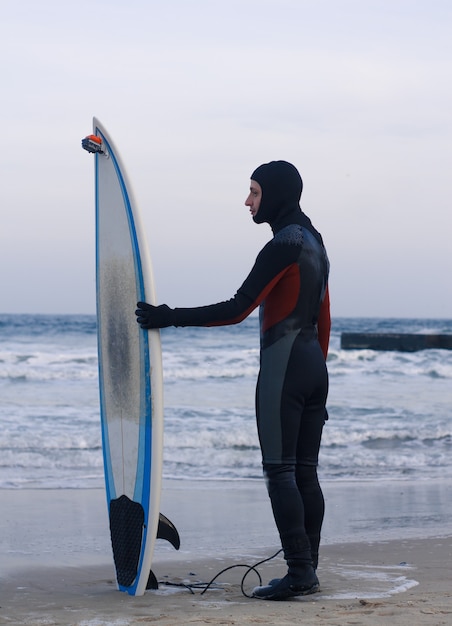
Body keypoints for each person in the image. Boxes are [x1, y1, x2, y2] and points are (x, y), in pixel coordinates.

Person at [135, 160, 330, 601]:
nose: (247, 201)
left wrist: (170, 317)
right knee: (306, 474)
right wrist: (318, 375)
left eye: (255, 192)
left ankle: (300, 572)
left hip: (284, 369)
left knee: (280, 473)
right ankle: (309, 567)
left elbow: (237, 308)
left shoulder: (284, 244)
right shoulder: (316, 243)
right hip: (314, 370)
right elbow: (324, 317)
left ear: (275, 195)